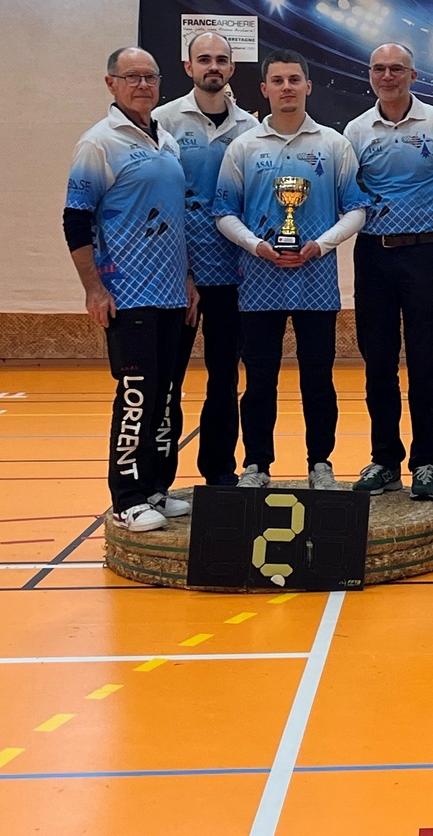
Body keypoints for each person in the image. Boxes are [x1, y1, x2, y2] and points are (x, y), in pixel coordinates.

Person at [213, 50, 366, 492]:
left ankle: (321, 463)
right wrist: (256, 246)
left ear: (307, 86)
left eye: (294, 80)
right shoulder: (244, 147)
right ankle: (257, 465)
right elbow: (224, 213)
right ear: (264, 89)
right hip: (258, 283)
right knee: (259, 381)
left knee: (318, 380)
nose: (286, 88)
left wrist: (321, 245)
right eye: (277, 81)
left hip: (316, 283)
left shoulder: (334, 144)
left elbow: (357, 208)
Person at [65, 47, 197, 532]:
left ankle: (157, 489)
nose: (143, 84)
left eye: (150, 77)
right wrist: (94, 289)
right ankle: (127, 499)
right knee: (138, 398)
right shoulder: (99, 144)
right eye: (132, 77)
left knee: (167, 398)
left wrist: (188, 278)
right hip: (128, 293)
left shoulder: (168, 142)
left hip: (173, 294)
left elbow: (176, 218)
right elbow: (75, 221)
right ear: (111, 83)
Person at [345, 42, 433, 501]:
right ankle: (384, 460)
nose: (388, 76)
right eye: (379, 69)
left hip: (425, 258)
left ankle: (425, 463)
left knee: (425, 364)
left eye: (397, 69)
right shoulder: (356, 130)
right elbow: (349, 195)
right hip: (372, 257)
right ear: (370, 75)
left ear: (413, 76)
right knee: (378, 364)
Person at [153, 32, 258, 485]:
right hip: (177, 279)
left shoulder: (251, 129)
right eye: (204, 59)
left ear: (232, 68)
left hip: (233, 276)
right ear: (188, 67)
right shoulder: (163, 121)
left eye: (221, 59)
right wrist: (183, 272)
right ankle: (158, 479)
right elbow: (159, 202)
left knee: (224, 379)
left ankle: (219, 473)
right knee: (167, 381)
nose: (212, 66)